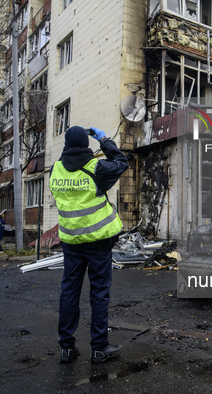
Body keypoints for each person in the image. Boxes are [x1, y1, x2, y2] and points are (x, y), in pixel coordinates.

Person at [49, 125, 128, 364]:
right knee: (99, 293)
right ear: (86, 145)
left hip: (72, 242)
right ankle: (99, 348)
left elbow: (68, 159)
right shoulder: (97, 168)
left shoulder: (56, 170)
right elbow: (121, 161)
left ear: (66, 146)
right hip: (99, 242)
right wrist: (103, 139)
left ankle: (66, 347)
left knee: (69, 292)